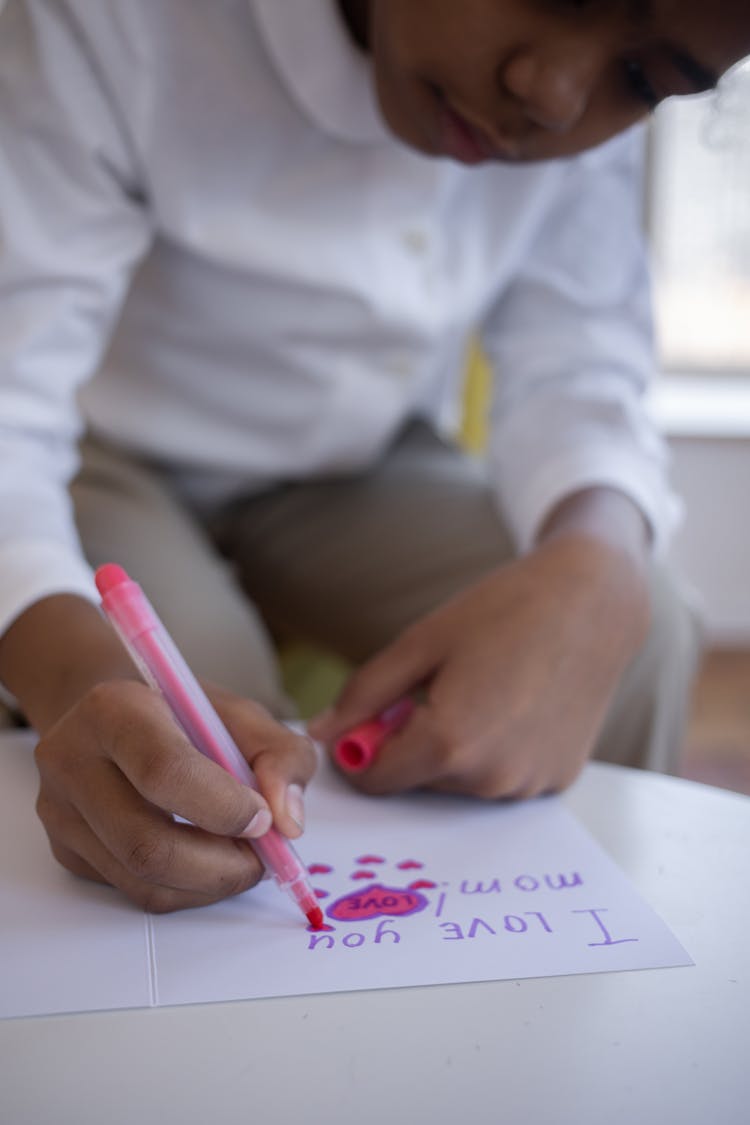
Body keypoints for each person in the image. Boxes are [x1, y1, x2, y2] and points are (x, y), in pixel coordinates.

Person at [0, 0, 747, 914]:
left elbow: (582, 353)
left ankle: (572, 951)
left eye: (647, 80)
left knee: (639, 624)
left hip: (362, 458)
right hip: (102, 452)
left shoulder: (577, 107)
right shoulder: (110, 22)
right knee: (187, 742)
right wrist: (80, 682)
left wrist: (598, 552)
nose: (551, 96)